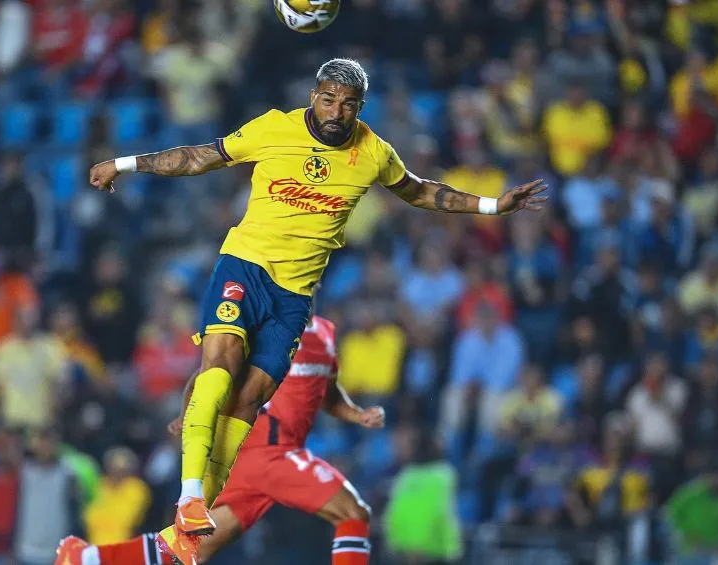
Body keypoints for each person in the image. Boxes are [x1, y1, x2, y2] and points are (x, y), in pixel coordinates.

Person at [87, 57, 546, 559]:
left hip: (295, 297)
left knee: (246, 402)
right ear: (314, 96)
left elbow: (420, 191)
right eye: (329, 99)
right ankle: (190, 499)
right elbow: (199, 157)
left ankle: (179, 533)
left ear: (359, 108)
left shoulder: (373, 152)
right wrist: (124, 164)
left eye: (348, 104)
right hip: (246, 266)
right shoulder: (273, 129)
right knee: (218, 370)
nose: (337, 110)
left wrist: (491, 206)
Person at [55, 315, 386, 565]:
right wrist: (189, 414)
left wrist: (356, 414)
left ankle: (86, 558)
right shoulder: (263, 327)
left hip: (264, 459)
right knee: (353, 512)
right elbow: (209, 371)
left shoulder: (323, 334)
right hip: (266, 449)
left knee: (189, 548)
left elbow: (325, 390)